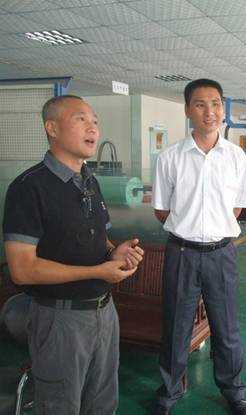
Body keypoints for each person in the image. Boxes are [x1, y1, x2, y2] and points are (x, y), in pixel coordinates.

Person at [2, 94, 144, 414]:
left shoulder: (89, 181)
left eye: (95, 121)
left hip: (104, 313)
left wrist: (114, 251)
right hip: (60, 320)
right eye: (81, 119)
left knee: (102, 403)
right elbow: (22, 269)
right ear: (51, 128)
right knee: (60, 406)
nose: (93, 127)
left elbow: (99, 237)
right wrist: (98, 272)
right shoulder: (28, 188)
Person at [151, 79, 246, 415]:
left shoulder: (236, 157)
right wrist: (190, 228)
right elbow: (162, 210)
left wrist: (212, 230)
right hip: (181, 254)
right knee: (176, 327)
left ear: (223, 109)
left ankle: (233, 390)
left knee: (227, 328)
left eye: (216, 103)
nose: (210, 112)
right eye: (200, 104)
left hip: (222, 255)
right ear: (187, 110)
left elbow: (236, 208)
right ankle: (169, 390)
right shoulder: (170, 157)